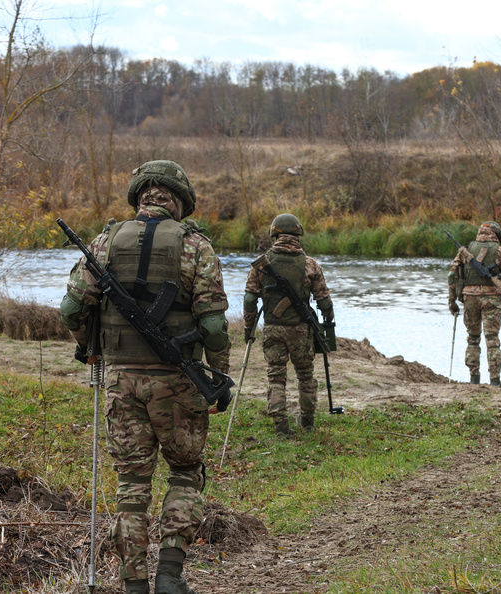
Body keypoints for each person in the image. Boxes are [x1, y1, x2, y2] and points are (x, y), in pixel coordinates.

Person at [60, 160, 231, 594]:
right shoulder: (197, 247)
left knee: (132, 485)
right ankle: (170, 575)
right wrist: (219, 376)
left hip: (120, 381)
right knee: (186, 473)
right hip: (177, 383)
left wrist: (90, 348)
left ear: (140, 195)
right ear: (180, 200)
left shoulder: (105, 241)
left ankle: (133, 583)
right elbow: (212, 327)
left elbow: (71, 309)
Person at [243, 213, 334, 437]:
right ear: (297, 234)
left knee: (275, 376)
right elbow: (323, 300)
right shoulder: (310, 264)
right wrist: (328, 321)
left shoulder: (261, 264)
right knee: (305, 375)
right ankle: (308, 422)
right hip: (301, 330)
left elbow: (249, 299)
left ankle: (281, 426)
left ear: (274, 234)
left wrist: (249, 327)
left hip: (273, 327)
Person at [447, 221, 501, 386]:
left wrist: (452, 302)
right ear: (497, 235)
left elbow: (451, 276)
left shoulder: (465, 250)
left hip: (469, 299)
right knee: (492, 340)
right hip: (491, 299)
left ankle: (474, 378)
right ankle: (495, 380)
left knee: (473, 338)